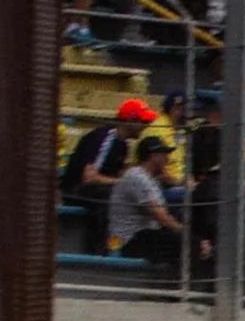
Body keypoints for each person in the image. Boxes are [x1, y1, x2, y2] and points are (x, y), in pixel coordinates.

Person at [65, 98, 159, 253]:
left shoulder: (123, 145)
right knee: (110, 198)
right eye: (143, 122)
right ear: (130, 121)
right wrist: (123, 182)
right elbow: (89, 178)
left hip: (100, 190)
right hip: (77, 189)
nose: (145, 127)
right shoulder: (104, 137)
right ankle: (98, 250)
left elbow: (119, 175)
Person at [107, 138, 206, 275]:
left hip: (145, 235)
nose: (168, 159)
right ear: (153, 156)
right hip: (129, 240)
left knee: (193, 240)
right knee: (187, 243)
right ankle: (176, 289)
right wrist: (193, 237)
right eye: (164, 154)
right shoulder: (137, 177)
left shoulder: (151, 178)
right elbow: (162, 218)